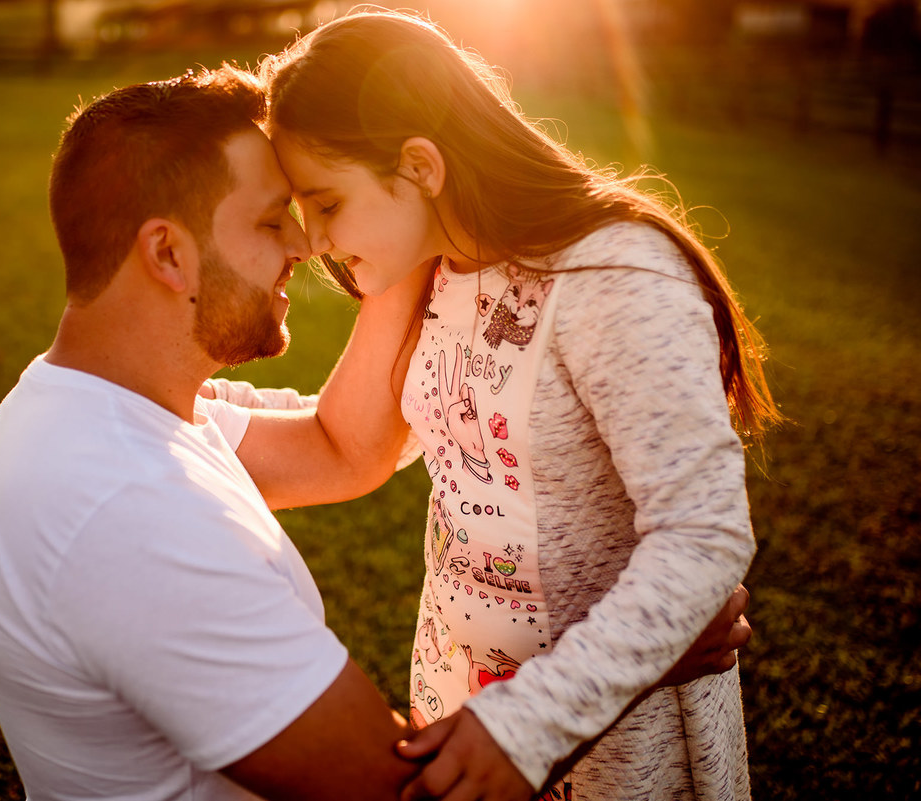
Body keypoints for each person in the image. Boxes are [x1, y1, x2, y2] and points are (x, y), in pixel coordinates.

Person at [256, 10, 782, 801]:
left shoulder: (613, 275)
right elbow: (368, 430)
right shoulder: (437, 271)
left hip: (613, 755)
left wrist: (530, 723)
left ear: (420, 165)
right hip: (467, 722)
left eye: (326, 203)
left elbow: (704, 534)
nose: (317, 240)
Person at [0, 66, 430, 800]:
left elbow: (339, 447)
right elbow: (389, 786)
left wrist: (407, 239)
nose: (303, 245)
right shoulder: (131, 509)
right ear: (168, 255)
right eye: (271, 221)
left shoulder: (99, 403)